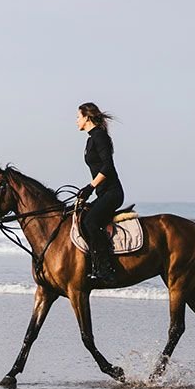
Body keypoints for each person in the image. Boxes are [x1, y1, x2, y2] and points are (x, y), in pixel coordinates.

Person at [75, 102, 124, 283]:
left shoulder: (100, 137)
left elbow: (108, 167)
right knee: (81, 216)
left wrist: (90, 187)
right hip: (102, 194)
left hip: (112, 193)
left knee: (91, 222)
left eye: (78, 117)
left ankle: (105, 269)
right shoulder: (90, 139)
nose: (76, 121)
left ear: (87, 117)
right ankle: (91, 263)